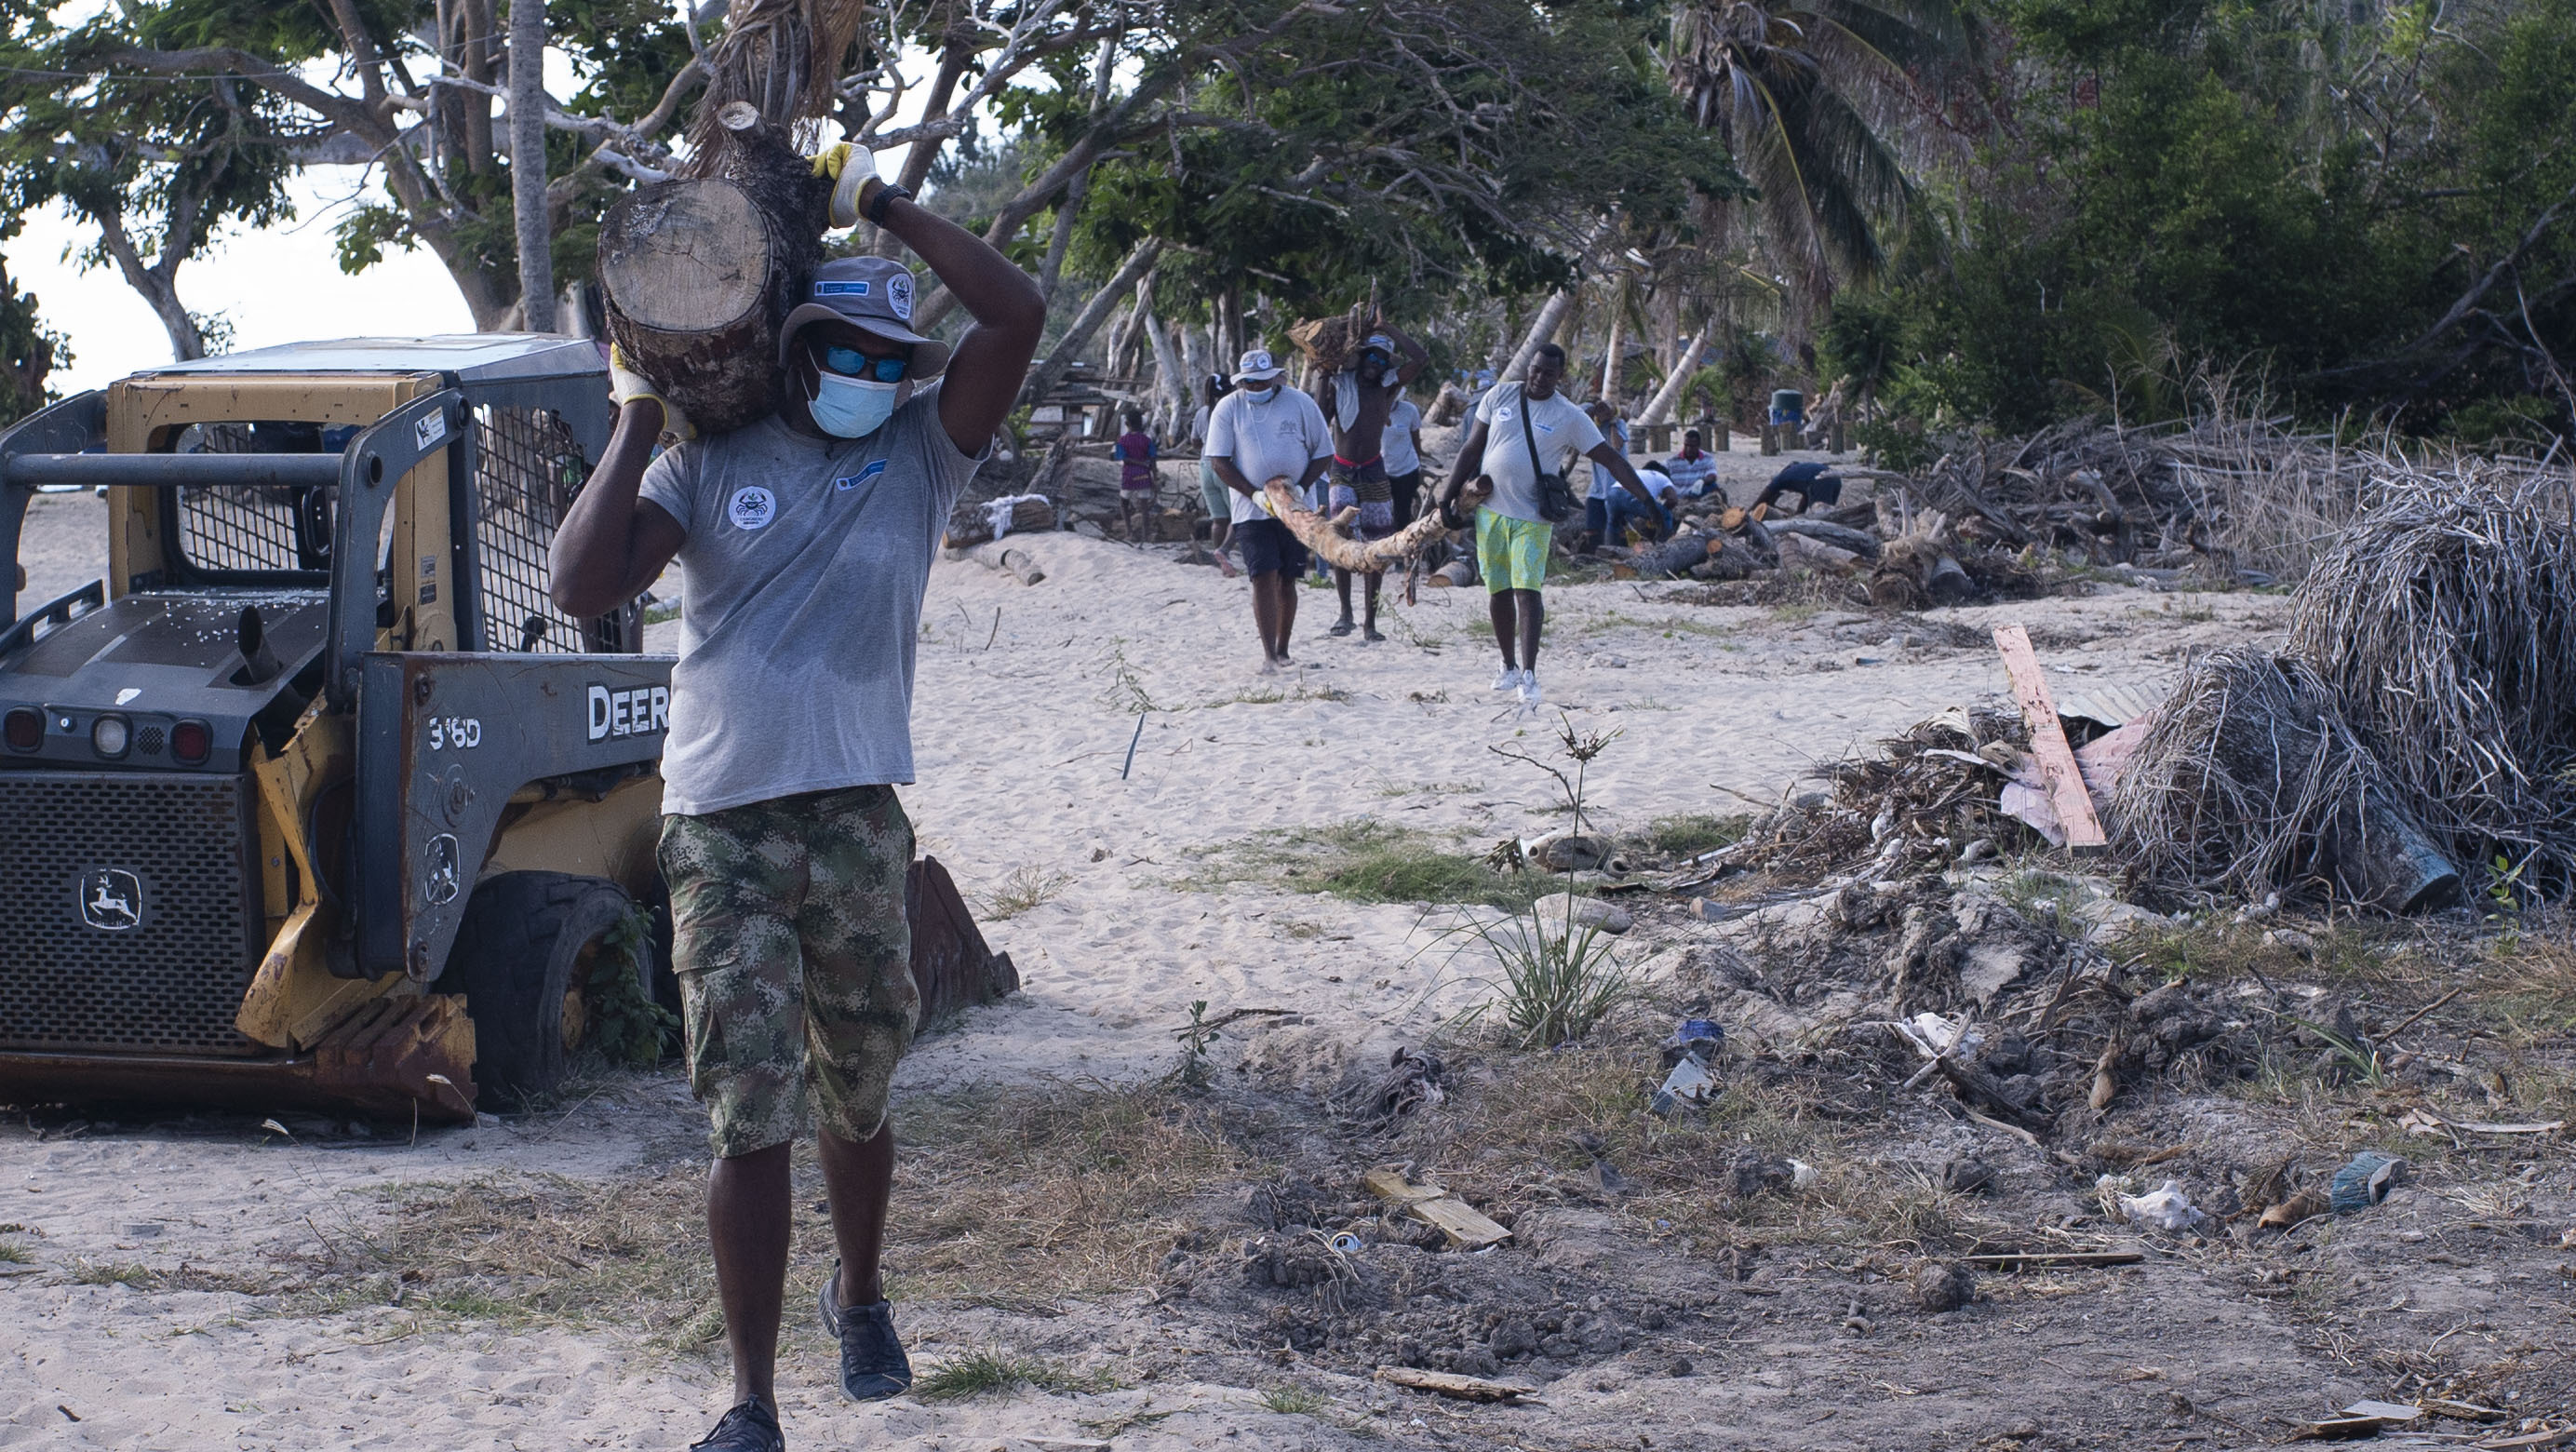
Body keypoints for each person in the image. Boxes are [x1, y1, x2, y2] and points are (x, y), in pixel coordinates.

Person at [548, 149, 1045, 1452]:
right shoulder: (714, 458)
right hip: (722, 822)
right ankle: (753, 1400)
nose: (875, 381)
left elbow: (1016, 316)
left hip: (857, 816)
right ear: (803, 348)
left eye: (897, 362)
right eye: (854, 356)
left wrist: (876, 204)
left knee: (860, 1088)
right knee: (750, 1105)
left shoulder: (923, 457)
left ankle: (861, 1291)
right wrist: (640, 414)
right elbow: (578, 587)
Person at [1432, 343, 1660, 708]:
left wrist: (1648, 500)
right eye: (1535, 369)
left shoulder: (1569, 416)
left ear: (1560, 377)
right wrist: (1446, 498)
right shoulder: (1500, 395)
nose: (1538, 378)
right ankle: (1507, 665)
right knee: (1498, 591)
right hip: (1491, 512)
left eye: (1548, 373)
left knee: (1528, 592)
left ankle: (1529, 674)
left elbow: (1611, 460)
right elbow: (1471, 449)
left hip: (1533, 519)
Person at [1204, 347, 1332, 672]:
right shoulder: (1228, 408)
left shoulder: (1300, 403)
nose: (1257, 388)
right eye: (1250, 383)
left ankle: (1284, 648)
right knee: (1262, 574)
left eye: (1263, 382)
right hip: (1251, 508)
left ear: (1276, 377)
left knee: (1288, 578)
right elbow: (1219, 460)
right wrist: (1255, 495)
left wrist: (1301, 488)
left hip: (1295, 506)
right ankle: (1268, 654)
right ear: (1242, 381)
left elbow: (1324, 452)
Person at [1313, 326, 1427, 641]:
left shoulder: (1387, 389)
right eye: (1371, 356)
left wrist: (1386, 327)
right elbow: (1321, 415)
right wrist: (1325, 371)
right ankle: (1345, 613)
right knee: (1341, 541)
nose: (1376, 363)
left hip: (1376, 470)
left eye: (1382, 359)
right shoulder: (1341, 384)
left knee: (1378, 546)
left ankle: (1370, 622)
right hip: (1343, 469)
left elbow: (1421, 357)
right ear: (1361, 358)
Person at [1578, 398, 1630, 549]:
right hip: (1596, 489)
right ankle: (1592, 558)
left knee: (1618, 528)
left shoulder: (1619, 424)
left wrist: (1613, 421)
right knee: (1592, 529)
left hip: (1617, 486)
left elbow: (1617, 445)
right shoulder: (1593, 428)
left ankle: (1618, 555)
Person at [1603, 460, 1677, 544]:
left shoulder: (1637, 472)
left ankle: (1610, 551)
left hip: (1613, 493)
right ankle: (1663, 546)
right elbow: (1673, 500)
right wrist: (1661, 513)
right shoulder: (1663, 477)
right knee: (1666, 516)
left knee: (1614, 525)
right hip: (1631, 495)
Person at [1111, 407, 1158, 542]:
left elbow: (1123, 458)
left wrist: (1137, 462)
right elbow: (1153, 459)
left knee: (1124, 502)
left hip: (1129, 476)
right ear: (1141, 424)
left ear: (1127, 424)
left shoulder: (1122, 440)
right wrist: (1154, 476)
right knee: (1144, 506)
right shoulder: (1147, 440)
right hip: (1144, 475)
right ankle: (1146, 534)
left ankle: (1129, 532)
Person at [1383, 387, 1427, 530]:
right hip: (1381, 470)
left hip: (1407, 470)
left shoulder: (1410, 410)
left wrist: (1419, 467)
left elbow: (1416, 440)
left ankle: (1399, 548)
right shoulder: (1371, 411)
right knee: (1382, 513)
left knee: (1402, 514)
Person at [1757, 458, 1843, 515]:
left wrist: (1752, 510)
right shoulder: (1801, 472)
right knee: (1829, 513)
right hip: (1836, 478)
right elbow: (1806, 497)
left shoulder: (1781, 478)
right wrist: (1798, 515)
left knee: (1822, 515)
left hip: (1822, 479)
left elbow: (1767, 491)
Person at [1662, 428, 1718, 498]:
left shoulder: (1707, 458)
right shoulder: (1672, 461)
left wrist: (1702, 481)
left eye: (1692, 446)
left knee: (1713, 486)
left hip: (1697, 496)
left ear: (1699, 445)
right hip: (1678, 498)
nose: (1688, 449)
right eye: (1686, 445)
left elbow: (1712, 475)